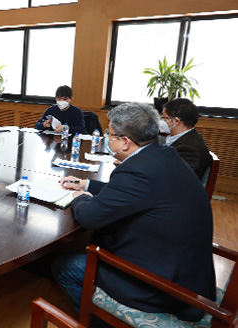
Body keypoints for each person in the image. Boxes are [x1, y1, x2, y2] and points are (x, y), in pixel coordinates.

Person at [53, 103, 215, 322]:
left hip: (162, 286)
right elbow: (133, 193)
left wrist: (79, 197)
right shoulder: (162, 156)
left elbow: (89, 217)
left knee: (64, 267)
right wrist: (87, 185)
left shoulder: (137, 170)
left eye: (110, 134)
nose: (107, 138)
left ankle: (99, 323)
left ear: (125, 142)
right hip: (189, 275)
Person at [162, 98, 212, 180]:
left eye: (164, 118)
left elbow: (174, 178)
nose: (162, 121)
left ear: (176, 121)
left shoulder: (190, 149)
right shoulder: (183, 137)